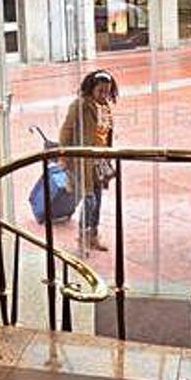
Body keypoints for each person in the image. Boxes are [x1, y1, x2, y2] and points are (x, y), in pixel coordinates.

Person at [59, 70, 118, 253]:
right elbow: (66, 131)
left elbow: (105, 134)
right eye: (100, 91)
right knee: (90, 199)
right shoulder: (80, 105)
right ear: (91, 88)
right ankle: (83, 236)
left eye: (107, 91)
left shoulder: (106, 106)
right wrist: (64, 156)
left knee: (98, 199)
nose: (104, 95)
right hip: (82, 160)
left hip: (99, 161)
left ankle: (93, 235)